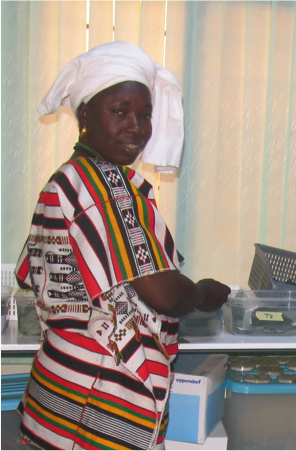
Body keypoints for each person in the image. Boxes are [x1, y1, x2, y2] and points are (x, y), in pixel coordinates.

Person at [14, 41, 231, 451]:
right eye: (120, 111)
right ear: (84, 115)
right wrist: (202, 292)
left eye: (145, 115)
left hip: (55, 395)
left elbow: (32, 274)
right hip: (100, 407)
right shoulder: (106, 186)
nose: (137, 126)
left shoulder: (64, 181)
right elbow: (164, 294)